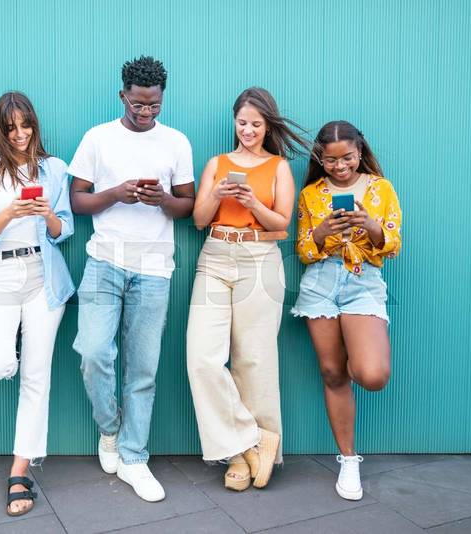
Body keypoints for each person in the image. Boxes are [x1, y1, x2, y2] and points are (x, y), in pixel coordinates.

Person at [68, 56, 195, 503]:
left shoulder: (176, 143)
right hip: (104, 261)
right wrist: (115, 194)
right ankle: (110, 429)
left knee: (143, 369)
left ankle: (134, 457)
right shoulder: (97, 138)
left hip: (155, 268)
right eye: (138, 104)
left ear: (162, 98)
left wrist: (162, 199)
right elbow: (78, 202)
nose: (145, 113)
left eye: (154, 106)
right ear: (122, 95)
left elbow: (189, 207)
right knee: (93, 352)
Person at [187, 87, 310, 491]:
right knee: (203, 358)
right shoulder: (216, 164)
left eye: (256, 124)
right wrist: (219, 194)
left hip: (260, 258)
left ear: (267, 126)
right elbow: (199, 220)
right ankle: (246, 442)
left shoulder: (277, 167)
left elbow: (281, 227)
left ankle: (249, 452)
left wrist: (253, 203)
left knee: (254, 360)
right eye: (242, 123)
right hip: (216, 256)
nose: (248, 130)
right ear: (234, 121)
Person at [0, 92, 74, 516]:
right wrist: (10, 212)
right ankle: (14, 355)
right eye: (11, 128)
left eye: (26, 125)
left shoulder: (54, 168)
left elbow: (64, 230)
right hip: (0, 274)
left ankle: (20, 470)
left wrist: (45, 213)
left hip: (43, 275)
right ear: (0, 129)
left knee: (37, 379)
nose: (21, 135)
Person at [291, 120, 402, 500]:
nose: (340, 167)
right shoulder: (310, 194)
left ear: (360, 152)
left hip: (362, 281)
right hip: (321, 282)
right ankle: (349, 459)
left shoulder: (380, 188)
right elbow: (305, 250)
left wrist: (368, 224)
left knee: (371, 374)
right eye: (331, 160)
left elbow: (392, 243)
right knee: (332, 372)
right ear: (320, 159)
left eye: (348, 158)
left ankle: (360, 354)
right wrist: (323, 230)